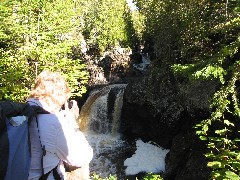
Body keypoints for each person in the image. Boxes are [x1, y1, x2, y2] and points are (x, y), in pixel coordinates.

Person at [27, 70, 93, 180]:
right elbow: (81, 157)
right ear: (59, 96)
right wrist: (72, 125)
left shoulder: (20, 113)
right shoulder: (53, 123)